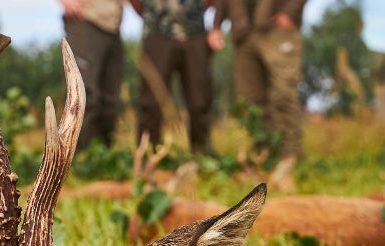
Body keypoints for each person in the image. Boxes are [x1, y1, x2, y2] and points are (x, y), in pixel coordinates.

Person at [131, 0, 222, 154]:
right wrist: (155, 13)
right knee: (151, 100)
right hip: (157, 32)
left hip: (195, 33)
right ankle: (147, 153)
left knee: (200, 100)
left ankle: (202, 155)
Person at [227, 0, 307, 161]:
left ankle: (290, 155)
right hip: (242, 32)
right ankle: (264, 155)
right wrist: (216, 24)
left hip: (276, 26)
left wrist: (289, 12)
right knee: (251, 101)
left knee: (283, 94)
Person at [62, 0, 128, 150]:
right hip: (85, 19)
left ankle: (101, 156)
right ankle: (78, 157)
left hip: (113, 25)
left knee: (110, 101)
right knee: (82, 95)